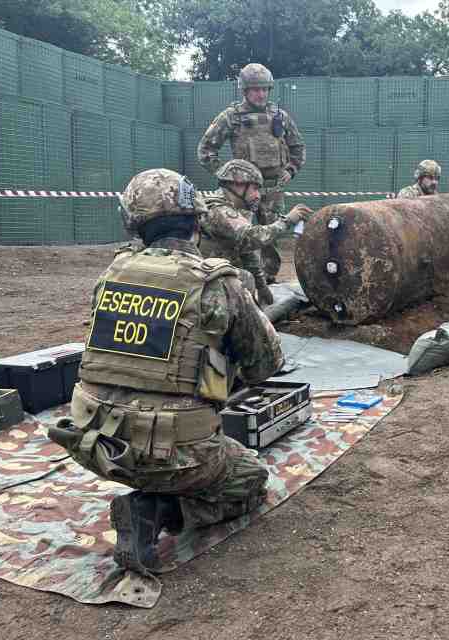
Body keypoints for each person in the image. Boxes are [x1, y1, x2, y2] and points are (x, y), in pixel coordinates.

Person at [48, 168, 284, 574]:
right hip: (179, 456)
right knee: (248, 478)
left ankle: (149, 501)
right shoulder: (217, 283)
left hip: (94, 445)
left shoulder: (111, 275)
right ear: (197, 223)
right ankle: (156, 511)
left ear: (135, 226)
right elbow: (266, 366)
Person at [197, 63, 306, 283]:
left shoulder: (280, 116)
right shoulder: (231, 116)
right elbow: (205, 150)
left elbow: (298, 147)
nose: (261, 94)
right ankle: (235, 279)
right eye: (255, 89)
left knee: (271, 239)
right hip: (242, 192)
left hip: (273, 189)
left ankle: (269, 281)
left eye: (265, 89)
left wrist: (291, 169)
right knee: (242, 239)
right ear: (245, 90)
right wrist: (229, 177)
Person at [199, 159, 311, 306]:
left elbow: (246, 251)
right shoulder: (216, 209)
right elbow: (250, 237)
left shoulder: (235, 210)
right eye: (255, 189)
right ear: (238, 185)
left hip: (218, 275)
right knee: (244, 279)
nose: (258, 195)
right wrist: (287, 221)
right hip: (204, 285)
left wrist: (261, 285)